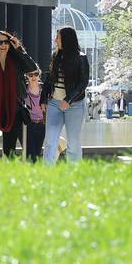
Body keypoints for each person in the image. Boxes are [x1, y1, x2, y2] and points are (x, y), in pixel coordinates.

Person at [0, 30, 38, 158]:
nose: (3, 45)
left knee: (10, 150)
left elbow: (32, 68)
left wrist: (20, 49)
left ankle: (7, 176)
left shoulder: (16, 59)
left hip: (12, 108)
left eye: (6, 42)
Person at [42, 27, 91, 163]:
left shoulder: (81, 58)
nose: (55, 40)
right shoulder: (56, 56)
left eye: (58, 37)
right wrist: (43, 99)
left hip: (74, 105)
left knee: (73, 142)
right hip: (53, 104)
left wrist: (68, 100)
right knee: (50, 141)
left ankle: (74, 174)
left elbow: (83, 83)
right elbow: (49, 78)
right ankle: (46, 172)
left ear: (66, 39)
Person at [21, 69, 46, 161]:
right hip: (29, 124)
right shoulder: (24, 89)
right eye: (30, 75)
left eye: (36, 74)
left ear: (39, 75)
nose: (33, 77)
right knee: (31, 153)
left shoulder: (44, 89)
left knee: (38, 151)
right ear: (27, 76)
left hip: (42, 124)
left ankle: (34, 172)